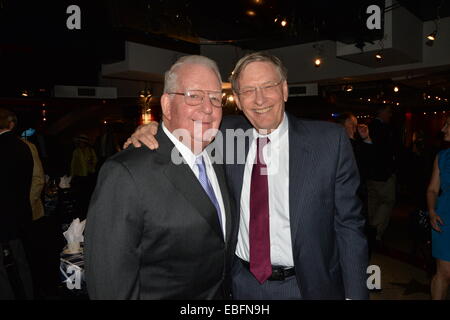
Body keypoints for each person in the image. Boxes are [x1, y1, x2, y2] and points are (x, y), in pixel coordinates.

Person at [126, 52, 369, 299]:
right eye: (248, 91)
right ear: (238, 101)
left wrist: (355, 293)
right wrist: (150, 128)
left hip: (306, 286)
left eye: (268, 86)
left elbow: (349, 224)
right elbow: (182, 126)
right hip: (241, 284)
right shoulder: (223, 135)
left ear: (284, 89)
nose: (260, 99)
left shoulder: (328, 141)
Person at [84, 55, 234, 299]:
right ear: (166, 105)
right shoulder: (125, 174)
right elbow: (109, 285)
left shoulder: (223, 154)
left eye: (216, 98)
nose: (208, 108)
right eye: (194, 96)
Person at [0, 108, 34, 299]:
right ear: (11, 124)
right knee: (21, 265)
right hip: (20, 212)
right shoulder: (23, 146)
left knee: (4, 273)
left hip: (3, 215)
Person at [427, 115, 450, 300]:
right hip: (445, 217)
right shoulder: (442, 157)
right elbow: (433, 190)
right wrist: (432, 211)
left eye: (448, 125)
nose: (443, 130)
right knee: (443, 272)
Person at [367, 105, 397, 241]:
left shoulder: (368, 127)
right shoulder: (385, 129)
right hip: (383, 173)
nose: (390, 115)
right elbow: (387, 152)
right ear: (381, 112)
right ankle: (375, 231)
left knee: (373, 202)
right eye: (388, 111)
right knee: (387, 201)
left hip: (370, 173)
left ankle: (370, 229)